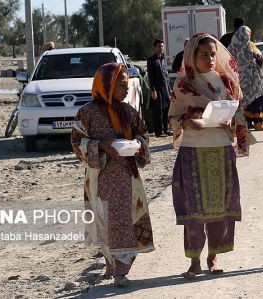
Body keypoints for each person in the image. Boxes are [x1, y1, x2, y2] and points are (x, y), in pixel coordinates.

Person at [168, 32, 255, 279]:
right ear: (192, 56)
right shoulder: (183, 83)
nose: (209, 58)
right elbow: (173, 116)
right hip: (193, 151)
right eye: (203, 54)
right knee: (193, 208)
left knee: (218, 207)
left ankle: (212, 257)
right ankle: (194, 261)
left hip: (220, 149)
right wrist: (187, 121)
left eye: (212, 54)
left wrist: (231, 120)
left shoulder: (225, 81)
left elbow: (238, 111)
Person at [71, 63, 155, 287]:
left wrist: (139, 144)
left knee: (127, 222)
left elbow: (143, 134)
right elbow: (76, 142)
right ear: (105, 85)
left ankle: (121, 271)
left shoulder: (128, 111)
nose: (125, 89)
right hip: (100, 179)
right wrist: (102, 145)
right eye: (120, 84)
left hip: (128, 178)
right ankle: (113, 264)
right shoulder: (86, 113)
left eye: (127, 84)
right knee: (105, 223)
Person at [228, 26, 263, 130]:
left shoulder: (231, 48)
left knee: (242, 101)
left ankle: (246, 123)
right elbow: (260, 60)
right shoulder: (250, 46)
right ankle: (258, 124)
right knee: (256, 100)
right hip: (253, 79)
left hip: (238, 80)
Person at [147, 39, 172, 137]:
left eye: (162, 46)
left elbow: (166, 76)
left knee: (166, 110)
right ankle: (159, 131)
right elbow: (150, 77)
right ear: (155, 47)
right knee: (158, 111)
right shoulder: (151, 60)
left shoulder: (163, 60)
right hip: (157, 89)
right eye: (158, 46)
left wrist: (169, 89)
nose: (160, 48)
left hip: (165, 88)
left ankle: (166, 129)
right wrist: (153, 90)